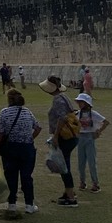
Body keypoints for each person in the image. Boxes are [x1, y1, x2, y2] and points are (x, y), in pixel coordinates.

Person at [0, 89, 41, 215]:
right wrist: (30, 138)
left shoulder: (4, 113)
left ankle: (12, 204)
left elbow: (0, 133)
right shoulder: (27, 112)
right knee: (26, 177)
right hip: (27, 148)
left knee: (11, 176)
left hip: (10, 148)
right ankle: (29, 204)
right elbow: (38, 127)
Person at [39, 76, 79, 207]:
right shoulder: (64, 97)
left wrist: (55, 136)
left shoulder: (58, 100)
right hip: (71, 136)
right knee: (64, 165)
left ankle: (71, 197)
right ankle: (69, 191)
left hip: (64, 137)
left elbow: (62, 118)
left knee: (64, 167)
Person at [74, 92, 109, 192]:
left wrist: (98, 131)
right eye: (79, 102)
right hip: (80, 138)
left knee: (91, 161)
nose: (79, 104)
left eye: (82, 102)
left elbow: (106, 122)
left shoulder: (93, 114)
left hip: (89, 137)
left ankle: (95, 183)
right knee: (81, 162)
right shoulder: (77, 114)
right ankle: (82, 182)